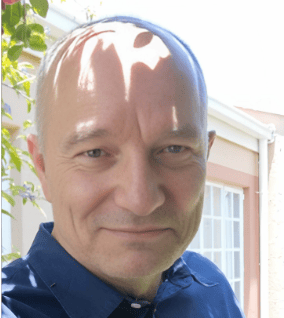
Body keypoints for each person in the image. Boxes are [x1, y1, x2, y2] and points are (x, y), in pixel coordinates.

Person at [2, 16, 245, 318]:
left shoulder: (211, 289)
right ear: (42, 166)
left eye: (174, 149)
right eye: (94, 152)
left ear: (205, 156)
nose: (140, 200)